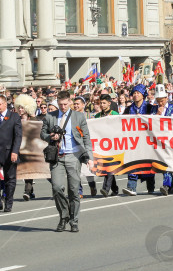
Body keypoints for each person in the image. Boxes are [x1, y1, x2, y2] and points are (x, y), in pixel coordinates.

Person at [41, 90, 95, 233]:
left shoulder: (78, 116)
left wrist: (89, 157)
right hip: (57, 156)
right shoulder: (50, 116)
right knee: (57, 188)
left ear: (70, 102)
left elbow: (86, 138)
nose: (63, 107)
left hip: (73, 156)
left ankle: (74, 220)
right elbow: (43, 133)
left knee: (73, 190)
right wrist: (50, 136)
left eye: (65, 104)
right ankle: (64, 215)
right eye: (60, 104)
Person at [0, 95, 22, 213]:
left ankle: (8, 203)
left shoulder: (14, 116)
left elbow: (18, 136)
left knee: (10, 179)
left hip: (9, 152)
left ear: (5, 104)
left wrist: (15, 151)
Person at [122, 85, 153, 196]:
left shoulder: (150, 108)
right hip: (133, 141)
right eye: (134, 93)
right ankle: (131, 187)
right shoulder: (128, 109)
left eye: (138, 93)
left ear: (143, 95)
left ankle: (151, 186)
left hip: (147, 140)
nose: (135, 95)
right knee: (133, 164)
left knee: (148, 164)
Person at [93, 93, 120, 197]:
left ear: (109, 103)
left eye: (104, 103)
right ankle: (115, 189)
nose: (102, 105)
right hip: (101, 145)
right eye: (101, 103)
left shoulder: (114, 114)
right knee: (107, 166)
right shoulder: (97, 116)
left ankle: (105, 189)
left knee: (109, 166)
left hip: (113, 144)